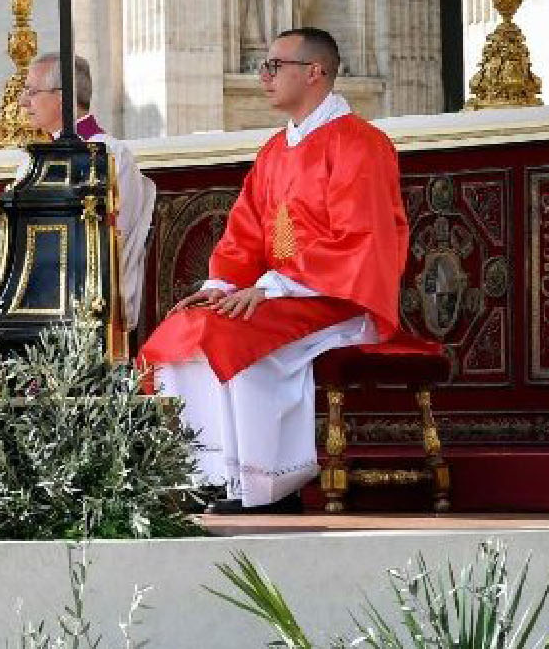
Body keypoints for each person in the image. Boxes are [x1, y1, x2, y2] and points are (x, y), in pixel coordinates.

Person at [139, 27, 408, 515]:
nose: (262, 76)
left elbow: (359, 239)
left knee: (233, 336)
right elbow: (244, 233)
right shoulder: (273, 151)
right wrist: (219, 285)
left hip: (339, 297)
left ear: (314, 72)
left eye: (273, 66)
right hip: (279, 296)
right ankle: (213, 477)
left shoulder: (359, 144)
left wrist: (271, 289)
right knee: (187, 328)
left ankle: (268, 487)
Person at [0, 54, 157, 331]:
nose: (22, 101)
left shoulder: (111, 156)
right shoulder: (31, 163)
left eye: (31, 91)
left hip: (78, 309)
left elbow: (109, 244)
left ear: (63, 97)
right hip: (19, 298)